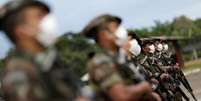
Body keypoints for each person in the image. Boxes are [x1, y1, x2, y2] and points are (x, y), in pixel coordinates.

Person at [0, 0, 89, 101]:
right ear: (22, 30)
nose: (49, 22)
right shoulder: (18, 74)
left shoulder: (49, 62)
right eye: (40, 17)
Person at [82, 14, 161, 101]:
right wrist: (144, 87)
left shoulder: (118, 58)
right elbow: (121, 97)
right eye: (115, 28)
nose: (121, 31)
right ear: (104, 35)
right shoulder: (101, 62)